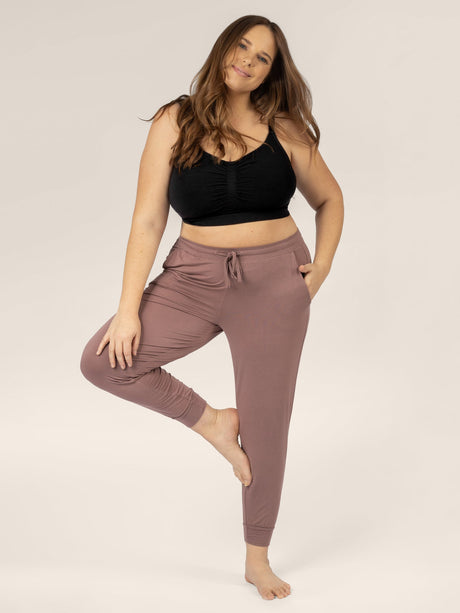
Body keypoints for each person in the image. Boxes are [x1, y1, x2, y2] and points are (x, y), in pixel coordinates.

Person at [80, 14, 344, 601]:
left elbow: (329, 199)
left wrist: (322, 266)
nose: (247, 60)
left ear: (271, 73)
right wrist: (128, 309)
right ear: (224, 48)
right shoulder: (175, 119)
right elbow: (148, 218)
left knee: (268, 423)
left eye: (262, 57)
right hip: (192, 278)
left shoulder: (284, 127)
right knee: (104, 361)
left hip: (275, 281)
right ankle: (215, 424)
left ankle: (257, 558)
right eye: (242, 47)